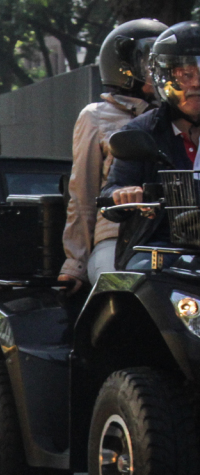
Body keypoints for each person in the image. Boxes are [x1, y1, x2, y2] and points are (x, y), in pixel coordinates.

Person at [60, 19, 165, 290]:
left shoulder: (179, 117)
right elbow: (82, 194)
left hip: (172, 237)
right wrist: (76, 264)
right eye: (149, 64)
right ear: (125, 68)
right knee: (119, 288)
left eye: (165, 64)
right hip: (117, 238)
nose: (160, 72)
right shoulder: (96, 116)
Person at [101, 21, 200, 259]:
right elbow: (110, 193)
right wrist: (123, 194)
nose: (196, 83)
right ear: (164, 77)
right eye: (186, 75)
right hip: (158, 249)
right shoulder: (142, 132)